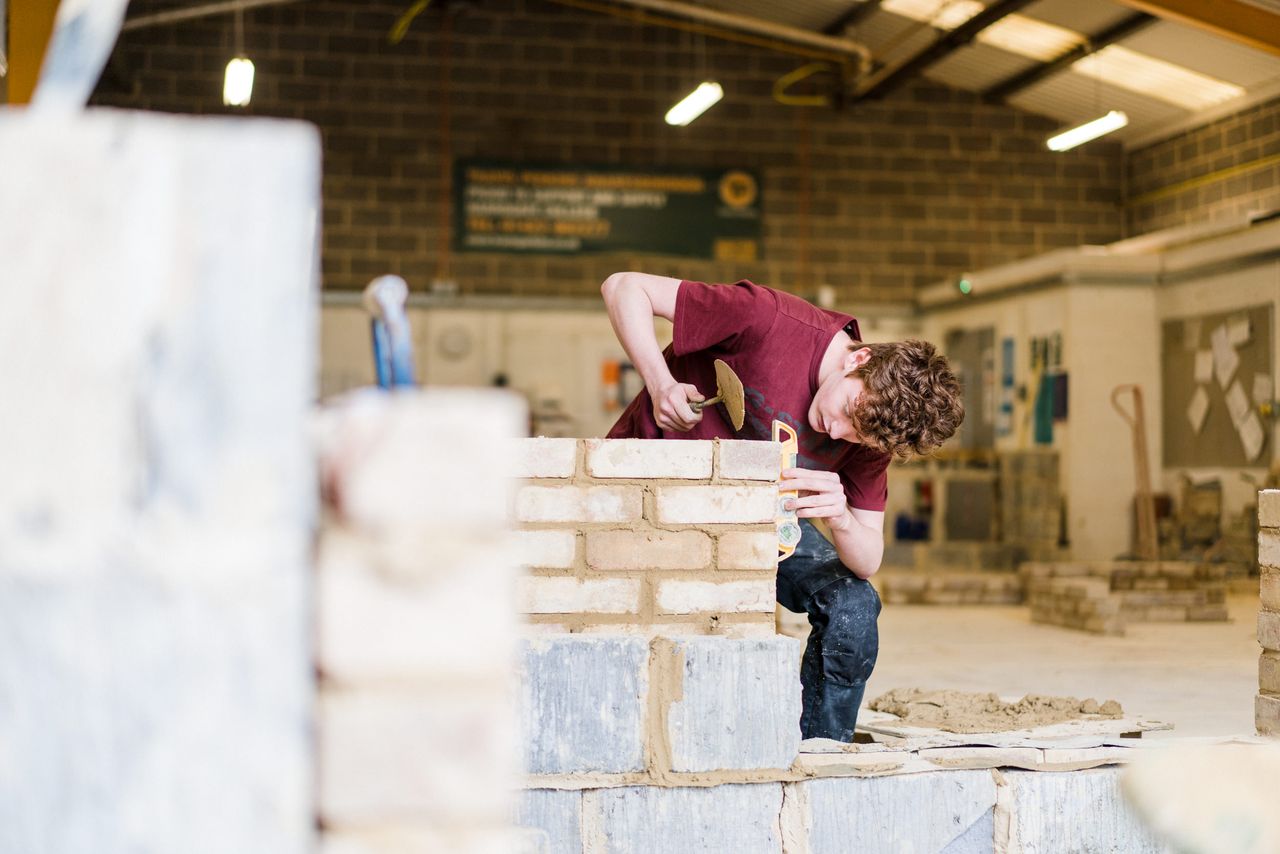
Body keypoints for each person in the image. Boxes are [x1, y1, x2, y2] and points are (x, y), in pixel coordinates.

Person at [602, 271, 963, 742]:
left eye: (858, 434)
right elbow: (623, 286)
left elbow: (868, 558)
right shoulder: (768, 320)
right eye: (849, 411)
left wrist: (840, 517)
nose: (837, 432)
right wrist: (660, 383)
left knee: (854, 604)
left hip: (757, 517)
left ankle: (819, 755)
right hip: (656, 489)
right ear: (860, 358)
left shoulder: (873, 432)